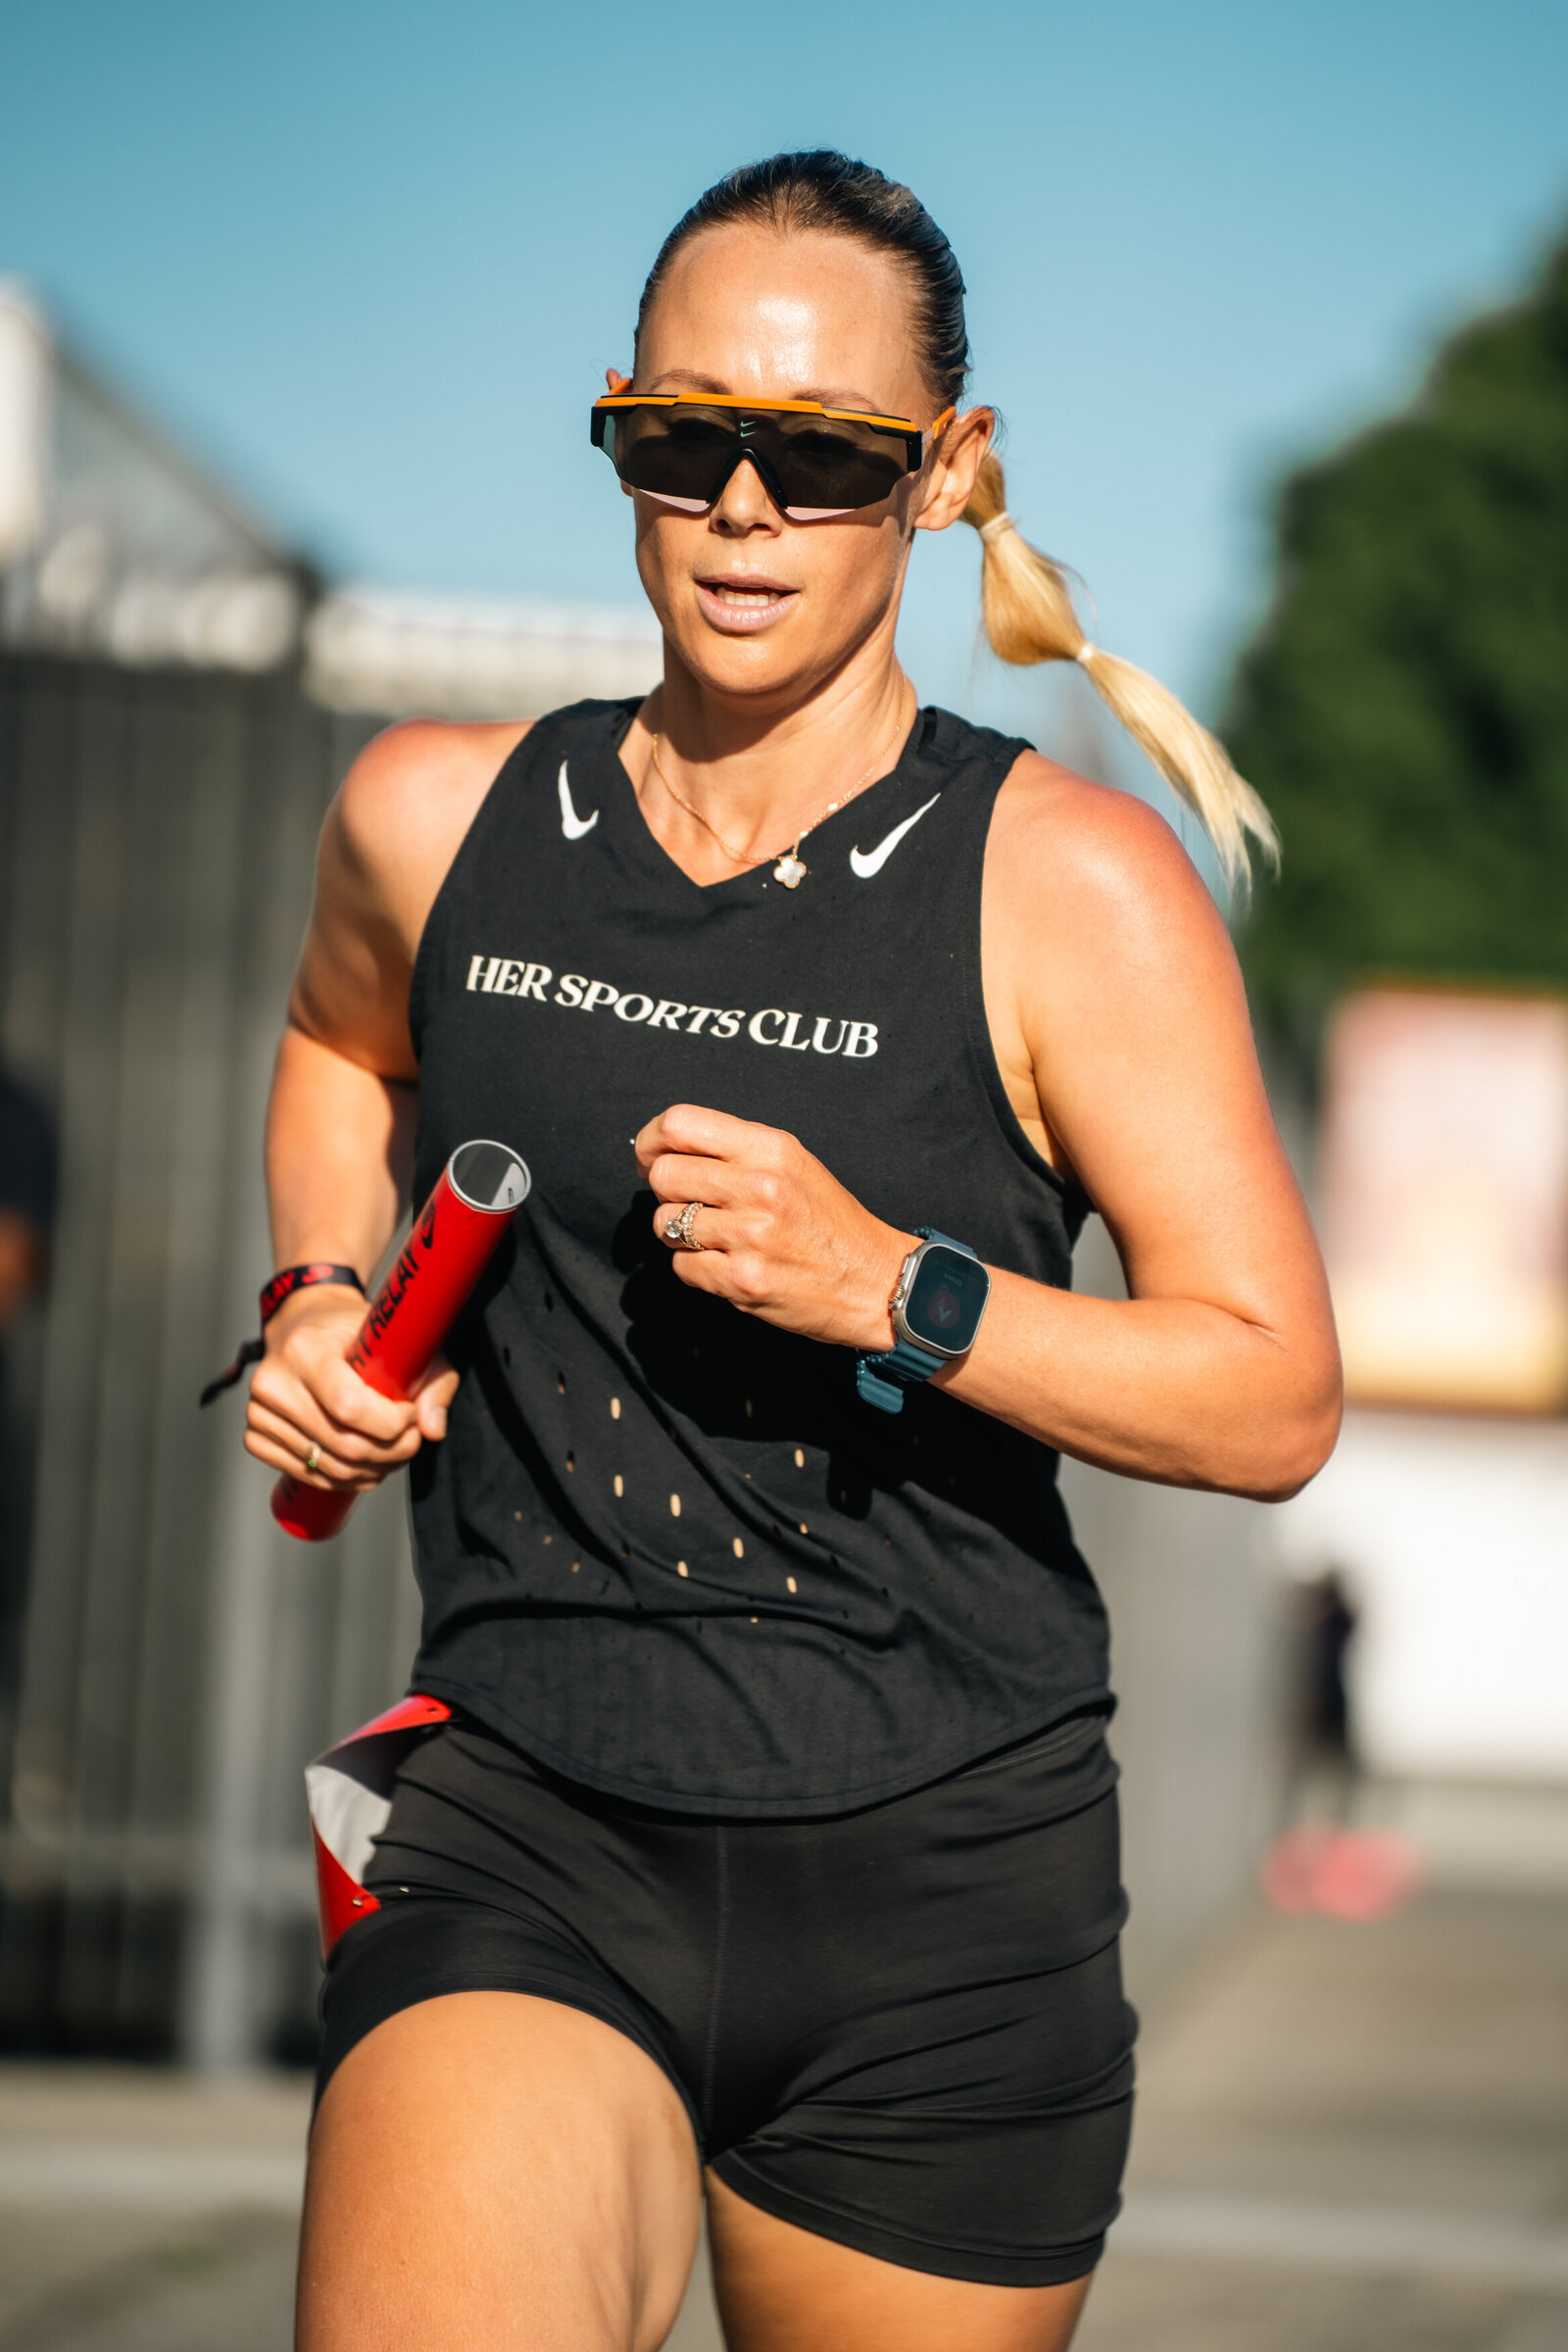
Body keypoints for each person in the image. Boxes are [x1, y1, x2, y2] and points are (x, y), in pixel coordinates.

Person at [246, 153, 1341, 2352]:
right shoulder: (436, 815)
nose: (741, 505)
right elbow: (332, 1048)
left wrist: (892, 1289)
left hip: (940, 1894)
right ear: (621, 434)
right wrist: (316, 1298)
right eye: (680, 439)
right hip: (524, 1815)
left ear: (942, 477)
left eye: (822, 456)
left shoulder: (1067, 890)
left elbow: (1268, 1393)